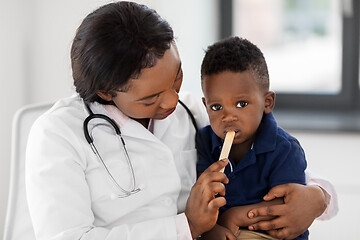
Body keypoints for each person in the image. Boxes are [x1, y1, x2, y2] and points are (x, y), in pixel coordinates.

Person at [25, 2, 337, 240]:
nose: (172, 101)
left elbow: (283, 164)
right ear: (106, 92)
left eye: (177, 79)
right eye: (151, 98)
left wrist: (319, 197)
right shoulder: (57, 136)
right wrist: (184, 226)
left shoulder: (194, 111)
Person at [196, 37, 336, 239]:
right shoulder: (204, 141)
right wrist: (211, 228)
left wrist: (235, 217)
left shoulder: (284, 148)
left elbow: (288, 206)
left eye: (241, 104)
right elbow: (204, 198)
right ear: (205, 105)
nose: (228, 117)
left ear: (267, 102)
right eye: (216, 107)